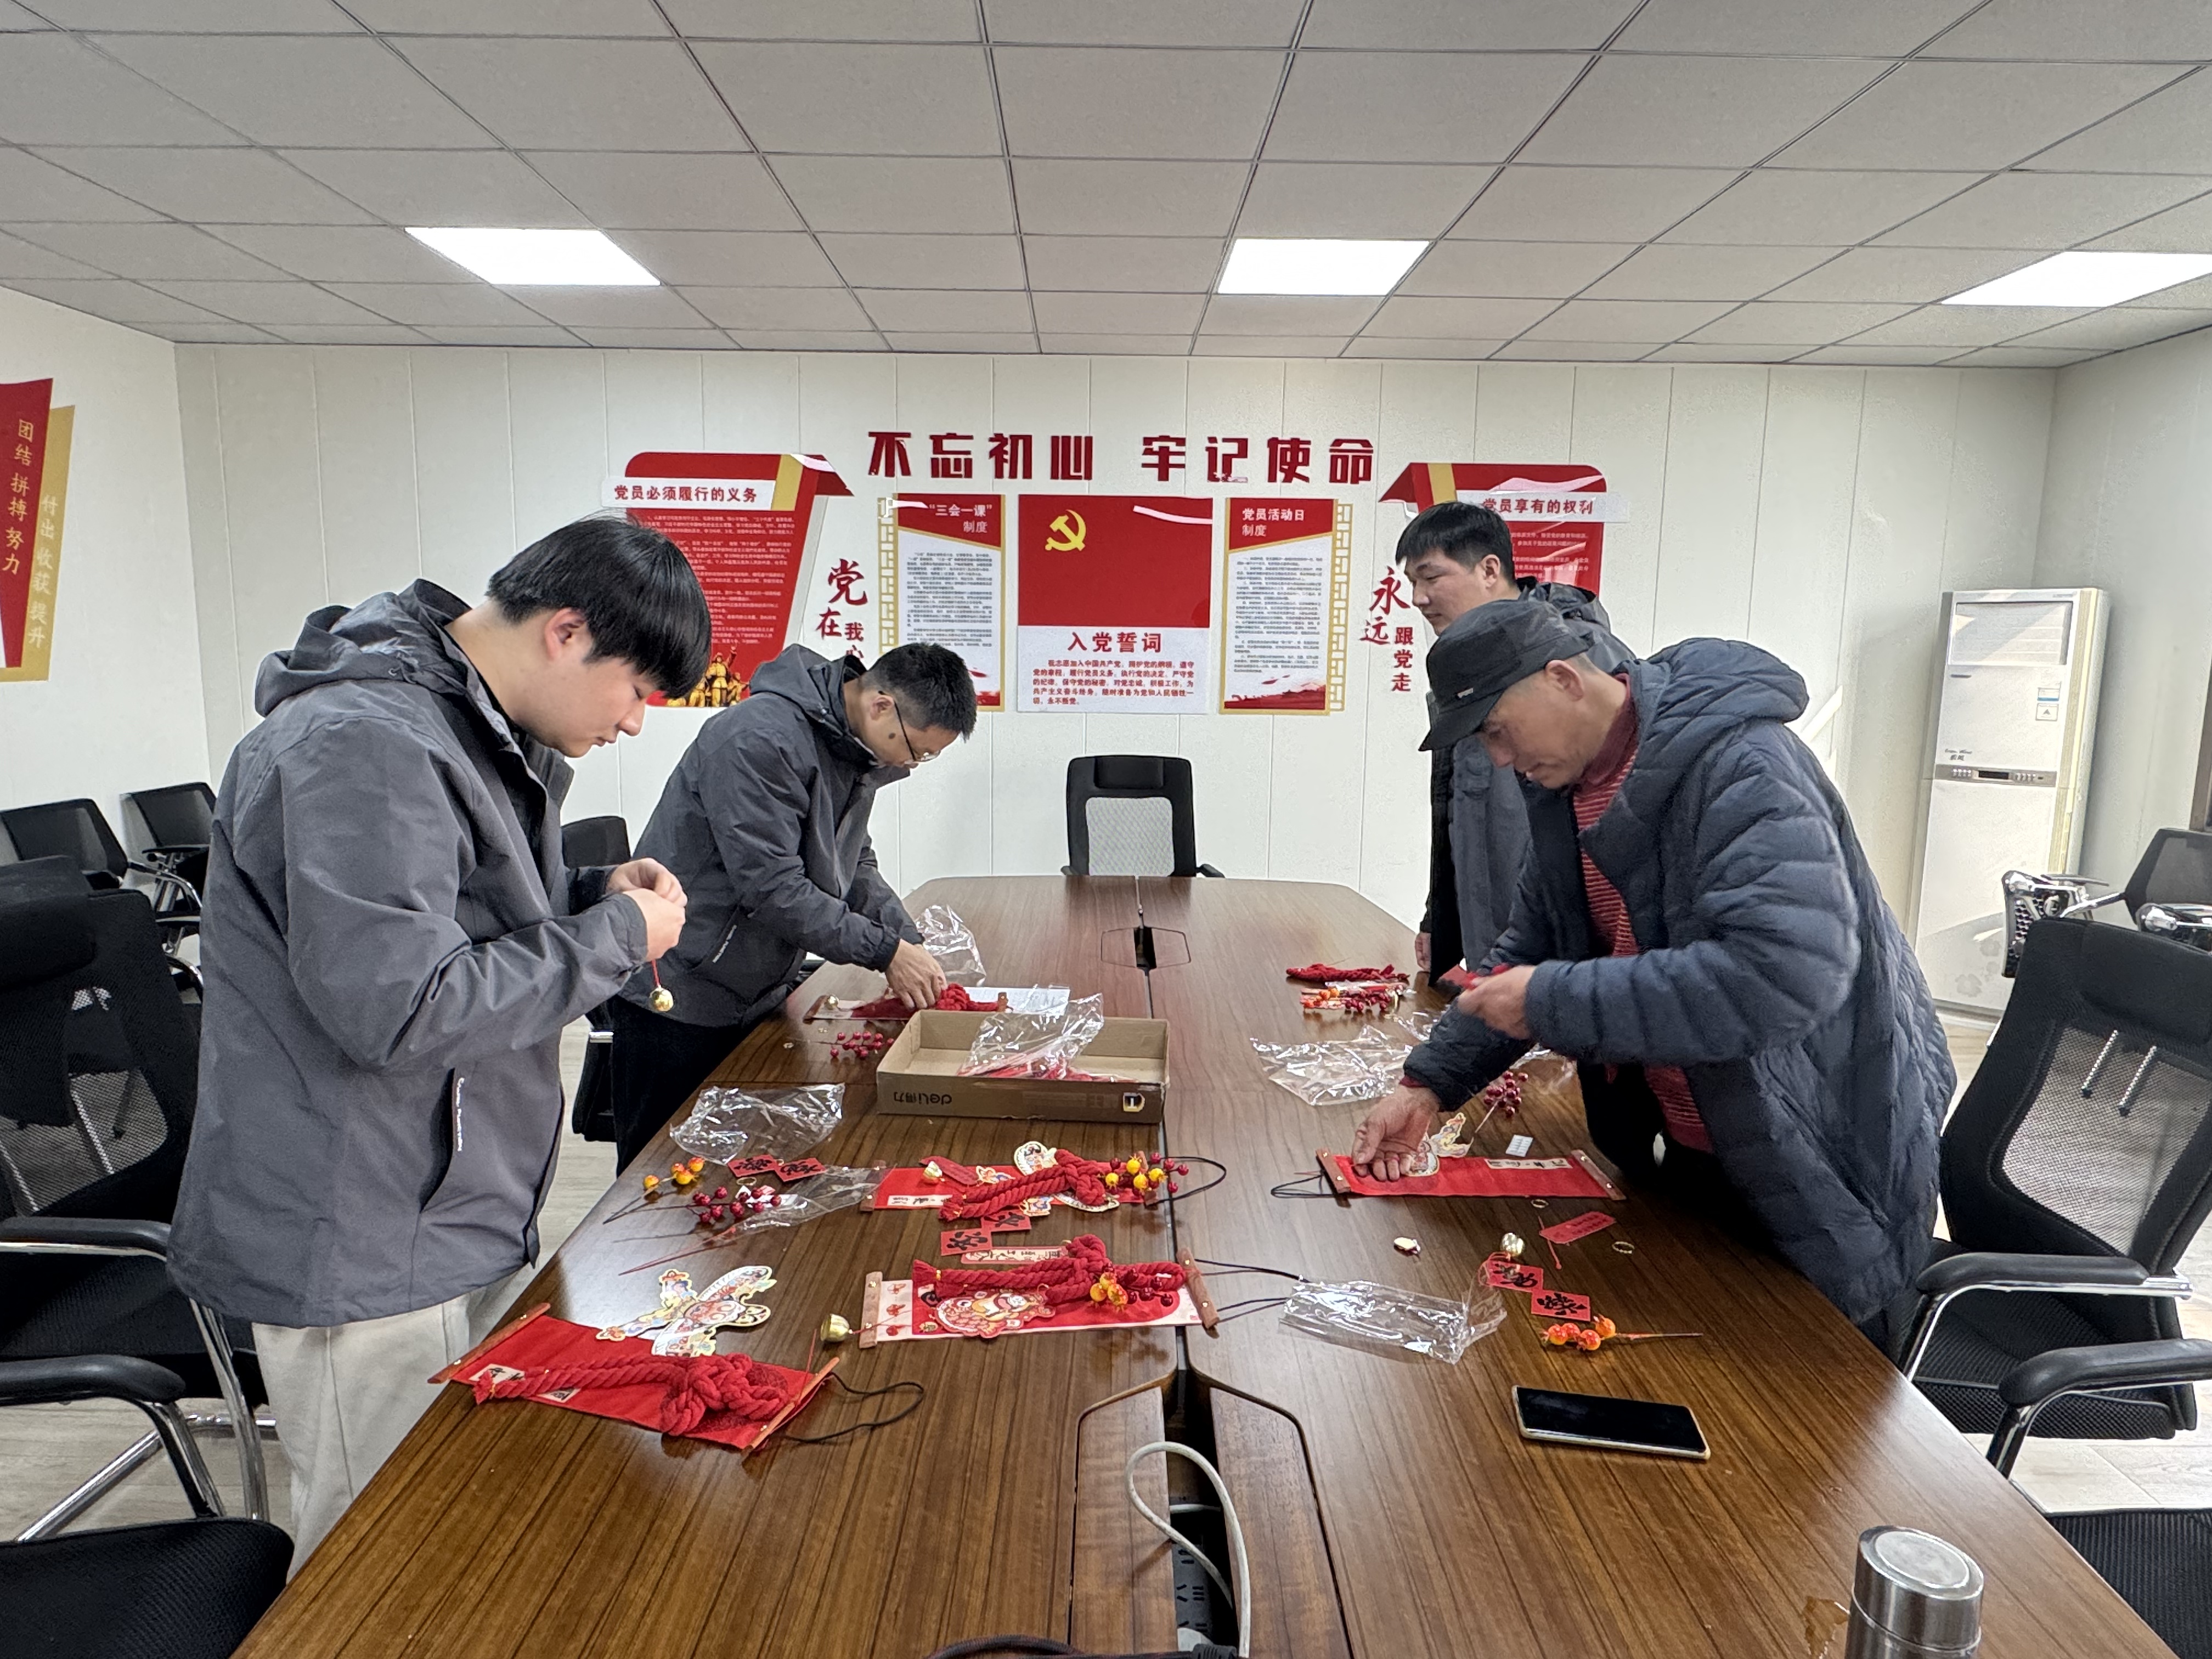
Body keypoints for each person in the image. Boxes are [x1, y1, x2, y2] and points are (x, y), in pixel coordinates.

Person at [168, 515, 709, 1561]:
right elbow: (404, 1004)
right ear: (565, 632)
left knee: (455, 1513)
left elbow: (459, 910)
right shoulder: (363, 743)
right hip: (360, 1218)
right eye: (637, 689)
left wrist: (591, 893)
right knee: (373, 1551)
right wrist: (612, 938)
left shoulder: (465, 726)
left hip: (451, 1195)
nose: (636, 722)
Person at [1351, 602, 1953, 1333]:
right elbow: (1533, 947)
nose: (1500, 759)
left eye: (1499, 730)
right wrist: (1428, 1084)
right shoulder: (1563, 791)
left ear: (1564, 679)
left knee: (1818, 1385)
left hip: (1821, 1146)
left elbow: (1783, 974)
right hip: (1696, 1151)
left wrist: (1551, 1001)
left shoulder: (1743, 765)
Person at [603, 640, 979, 1168]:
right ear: (881, 706)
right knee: (660, 1170)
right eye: (919, 750)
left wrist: (906, 940)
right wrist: (885, 952)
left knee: (743, 1167)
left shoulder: (851, 748)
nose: (913, 766)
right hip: (681, 987)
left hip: (753, 986)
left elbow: (853, 864)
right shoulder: (759, 739)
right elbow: (773, 889)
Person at [1396, 500, 1627, 985]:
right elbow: (1459, 805)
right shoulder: (1466, 662)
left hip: (1564, 952)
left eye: (1431, 577)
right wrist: (1440, 918)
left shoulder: (1576, 652)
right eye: (1412, 583)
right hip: (1500, 936)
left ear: (1489, 570)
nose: (1418, 598)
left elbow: (1611, 811)